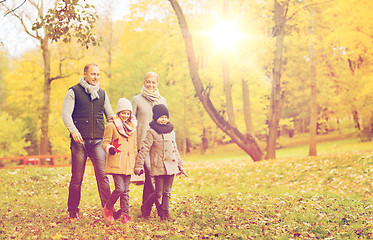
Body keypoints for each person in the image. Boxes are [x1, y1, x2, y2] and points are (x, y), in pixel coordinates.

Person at [62, 63, 115, 220]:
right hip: (80, 141)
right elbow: (66, 114)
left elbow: (110, 115)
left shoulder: (102, 93)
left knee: (103, 177)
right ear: (85, 74)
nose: (96, 77)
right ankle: (73, 211)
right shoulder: (73, 92)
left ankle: (108, 210)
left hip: (99, 141)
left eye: (98, 74)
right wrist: (73, 131)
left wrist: (121, 121)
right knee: (77, 178)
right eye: (93, 74)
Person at [134, 104, 187, 220]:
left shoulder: (171, 132)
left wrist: (180, 164)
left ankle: (165, 214)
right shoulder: (152, 132)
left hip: (171, 166)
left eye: (165, 117)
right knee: (158, 193)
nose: (163, 119)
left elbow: (175, 149)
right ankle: (146, 205)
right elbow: (144, 149)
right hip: (159, 167)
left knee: (167, 192)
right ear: (156, 118)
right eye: (161, 117)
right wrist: (138, 165)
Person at [131, 72, 167, 216]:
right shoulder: (136, 99)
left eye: (153, 83)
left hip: (158, 144)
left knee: (153, 177)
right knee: (150, 174)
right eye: (148, 82)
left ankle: (145, 208)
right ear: (144, 82)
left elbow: (166, 122)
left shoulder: (162, 100)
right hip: (143, 143)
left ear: (157, 84)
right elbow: (130, 123)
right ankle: (159, 208)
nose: (150, 85)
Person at [101, 98, 137, 223]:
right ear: (118, 113)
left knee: (126, 191)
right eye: (123, 113)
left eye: (128, 113)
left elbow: (134, 147)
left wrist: (137, 163)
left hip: (129, 164)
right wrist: (109, 148)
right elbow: (105, 142)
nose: (125, 116)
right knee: (120, 189)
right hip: (117, 162)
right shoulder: (112, 126)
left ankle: (125, 216)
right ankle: (108, 207)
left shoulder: (132, 128)